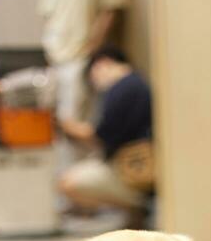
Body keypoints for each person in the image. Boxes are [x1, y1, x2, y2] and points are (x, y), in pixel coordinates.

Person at [58, 45, 152, 227]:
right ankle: (135, 209)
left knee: (68, 183)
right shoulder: (136, 83)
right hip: (137, 166)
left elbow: (103, 135)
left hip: (131, 170)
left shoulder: (121, 87)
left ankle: (136, 206)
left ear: (102, 64)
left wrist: (69, 127)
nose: (95, 83)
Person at [37, 0, 128, 131]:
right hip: (55, 54)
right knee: (55, 124)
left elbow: (109, 10)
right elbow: (48, 13)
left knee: (77, 121)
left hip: (81, 57)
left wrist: (92, 49)